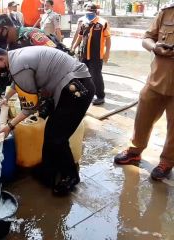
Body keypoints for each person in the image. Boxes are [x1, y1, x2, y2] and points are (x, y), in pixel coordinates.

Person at [0, 46, 94, 194]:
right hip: (72, 84)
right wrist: (6, 97)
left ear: (0, 60)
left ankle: (71, 177)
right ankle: (48, 171)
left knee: (57, 136)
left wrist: (9, 126)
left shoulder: (19, 65)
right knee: (51, 132)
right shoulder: (14, 57)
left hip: (77, 88)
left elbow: (29, 108)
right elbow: (17, 83)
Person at [114, 4, 174, 181]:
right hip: (156, 80)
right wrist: (155, 47)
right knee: (142, 118)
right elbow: (147, 38)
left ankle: (167, 162)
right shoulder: (166, 12)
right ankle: (134, 151)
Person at [71, 3, 111, 105]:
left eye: (91, 12)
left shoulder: (103, 23)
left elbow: (108, 39)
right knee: (82, 74)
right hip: (83, 54)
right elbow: (80, 37)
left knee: (96, 76)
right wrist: (73, 47)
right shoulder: (84, 22)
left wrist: (107, 53)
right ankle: (85, 93)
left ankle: (100, 96)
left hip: (96, 55)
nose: (89, 14)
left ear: (95, 12)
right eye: (87, 12)